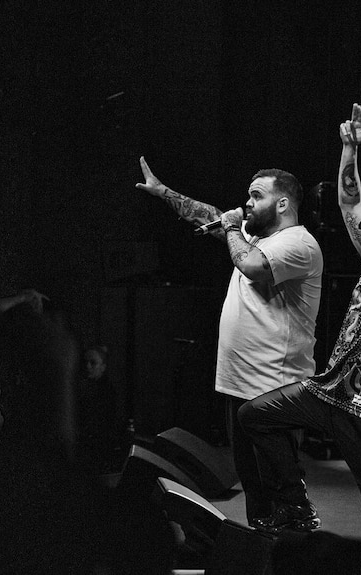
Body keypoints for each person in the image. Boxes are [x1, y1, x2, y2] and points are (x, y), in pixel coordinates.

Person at [238, 103, 361, 574]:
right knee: (253, 417)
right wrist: (349, 149)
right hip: (327, 391)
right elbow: (350, 205)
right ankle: (296, 509)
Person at [135, 158, 324, 523]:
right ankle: (263, 547)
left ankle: (295, 546)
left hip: (273, 386)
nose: (248, 203)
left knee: (280, 489)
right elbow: (210, 214)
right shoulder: (257, 238)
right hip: (241, 383)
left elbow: (251, 265)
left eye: (256, 196)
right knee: (255, 487)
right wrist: (165, 193)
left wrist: (233, 227)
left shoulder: (298, 244)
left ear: (282, 204)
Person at [76, 344, 124, 473]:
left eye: (93, 363)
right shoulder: (80, 389)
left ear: (103, 367)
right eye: (85, 362)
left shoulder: (106, 393)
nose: (88, 367)